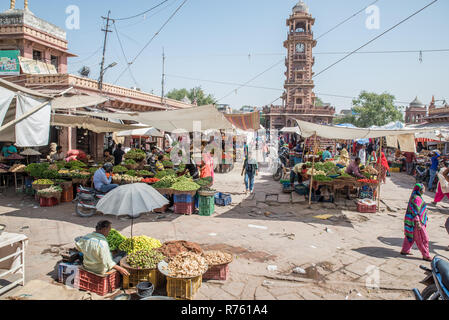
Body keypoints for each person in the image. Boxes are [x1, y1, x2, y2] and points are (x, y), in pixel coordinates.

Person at [400, 183, 431, 261]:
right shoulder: (417, 198)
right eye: (423, 188)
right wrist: (418, 223)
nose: (424, 190)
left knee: (411, 236)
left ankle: (405, 250)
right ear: (420, 190)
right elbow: (415, 212)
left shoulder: (416, 197)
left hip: (411, 221)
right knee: (423, 239)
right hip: (416, 222)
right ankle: (426, 255)